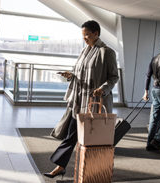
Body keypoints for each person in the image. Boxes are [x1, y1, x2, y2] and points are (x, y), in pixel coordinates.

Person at [43, 20, 119, 178]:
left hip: (94, 104)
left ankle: (94, 172)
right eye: (83, 36)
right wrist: (70, 75)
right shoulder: (85, 51)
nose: (84, 38)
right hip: (79, 101)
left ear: (96, 34)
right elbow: (79, 73)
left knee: (91, 141)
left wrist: (103, 89)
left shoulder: (107, 52)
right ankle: (60, 166)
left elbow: (113, 77)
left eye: (87, 36)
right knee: (71, 135)